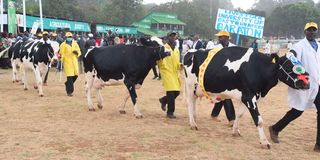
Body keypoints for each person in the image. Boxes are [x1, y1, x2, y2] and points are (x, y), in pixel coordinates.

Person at [269, 22, 320, 152]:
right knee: (297, 111)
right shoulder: (299, 46)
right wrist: (292, 56)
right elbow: (291, 55)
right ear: (305, 32)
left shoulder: (318, 46)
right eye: (309, 30)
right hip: (303, 84)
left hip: (317, 84)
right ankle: (275, 128)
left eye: (314, 30)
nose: (312, 32)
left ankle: (318, 144)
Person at [210, 30, 236, 126]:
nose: (219, 38)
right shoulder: (216, 48)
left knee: (222, 95)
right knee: (226, 95)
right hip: (219, 75)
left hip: (231, 75)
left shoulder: (234, 47)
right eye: (219, 37)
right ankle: (232, 119)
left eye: (221, 37)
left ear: (226, 38)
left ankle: (214, 114)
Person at [158, 32, 181, 119]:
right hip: (166, 72)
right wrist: (162, 68)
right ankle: (170, 112)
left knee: (177, 92)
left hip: (175, 73)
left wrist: (180, 65)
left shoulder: (176, 49)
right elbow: (159, 59)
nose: (173, 38)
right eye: (171, 36)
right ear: (168, 38)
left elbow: (177, 61)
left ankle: (163, 100)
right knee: (171, 92)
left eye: (174, 36)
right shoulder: (163, 48)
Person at [59, 32, 81, 97]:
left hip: (74, 61)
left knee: (76, 75)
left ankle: (67, 84)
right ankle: (69, 91)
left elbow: (79, 51)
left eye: (70, 37)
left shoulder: (75, 43)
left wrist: (77, 53)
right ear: (66, 37)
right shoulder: (63, 45)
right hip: (67, 62)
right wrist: (60, 57)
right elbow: (61, 53)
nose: (69, 38)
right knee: (70, 77)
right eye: (68, 37)